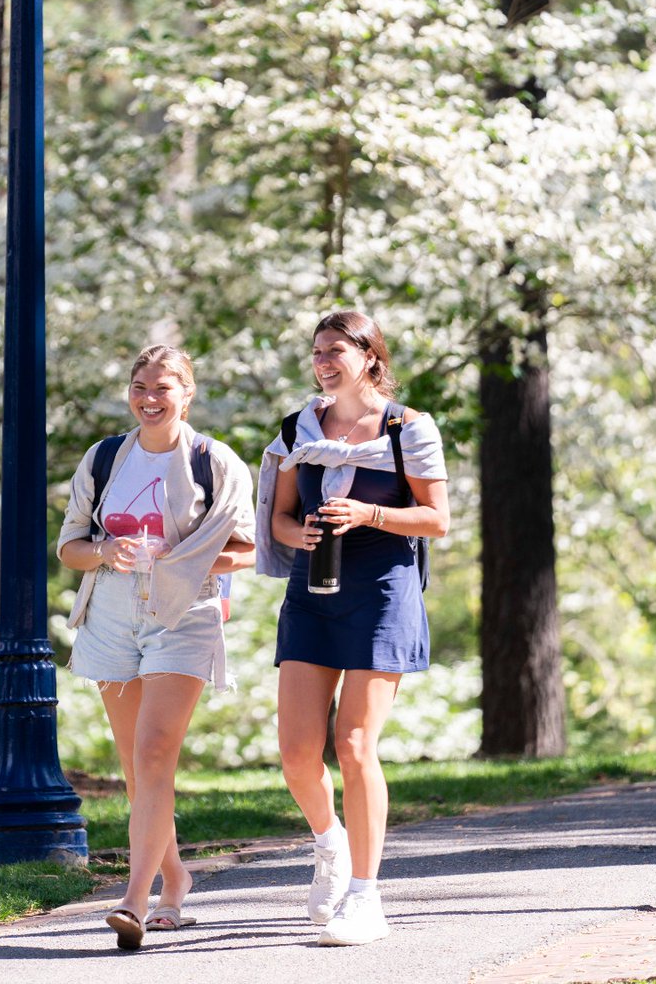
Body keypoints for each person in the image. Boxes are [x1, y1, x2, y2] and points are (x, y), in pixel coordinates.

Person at [257, 311, 449, 947]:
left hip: (382, 593)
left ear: (370, 356)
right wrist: (302, 533)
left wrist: (369, 511)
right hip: (312, 593)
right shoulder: (299, 429)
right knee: (295, 752)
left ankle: (366, 897)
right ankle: (330, 843)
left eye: (336, 350)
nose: (323, 362)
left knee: (356, 743)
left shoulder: (408, 428)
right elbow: (281, 521)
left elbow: (435, 519)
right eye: (317, 352)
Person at [57, 344, 256, 951]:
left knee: (154, 751)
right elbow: (70, 548)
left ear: (186, 394)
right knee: (137, 769)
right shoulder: (104, 458)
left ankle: (133, 902)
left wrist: (181, 558)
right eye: (139, 386)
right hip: (112, 615)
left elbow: (246, 550)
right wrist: (106, 552)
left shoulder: (214, 462)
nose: (149, 398)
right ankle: (176, 879)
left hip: (182, 614)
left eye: (163, 388)